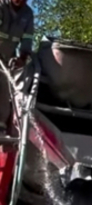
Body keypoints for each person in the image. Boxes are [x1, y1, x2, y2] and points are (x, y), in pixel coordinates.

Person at [0, 0, 34, 138]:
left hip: (8, 58)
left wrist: (23, 57)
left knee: (8, 87)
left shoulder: (28, 14)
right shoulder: (1, 6)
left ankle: (2, 126)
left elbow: (27, 38)